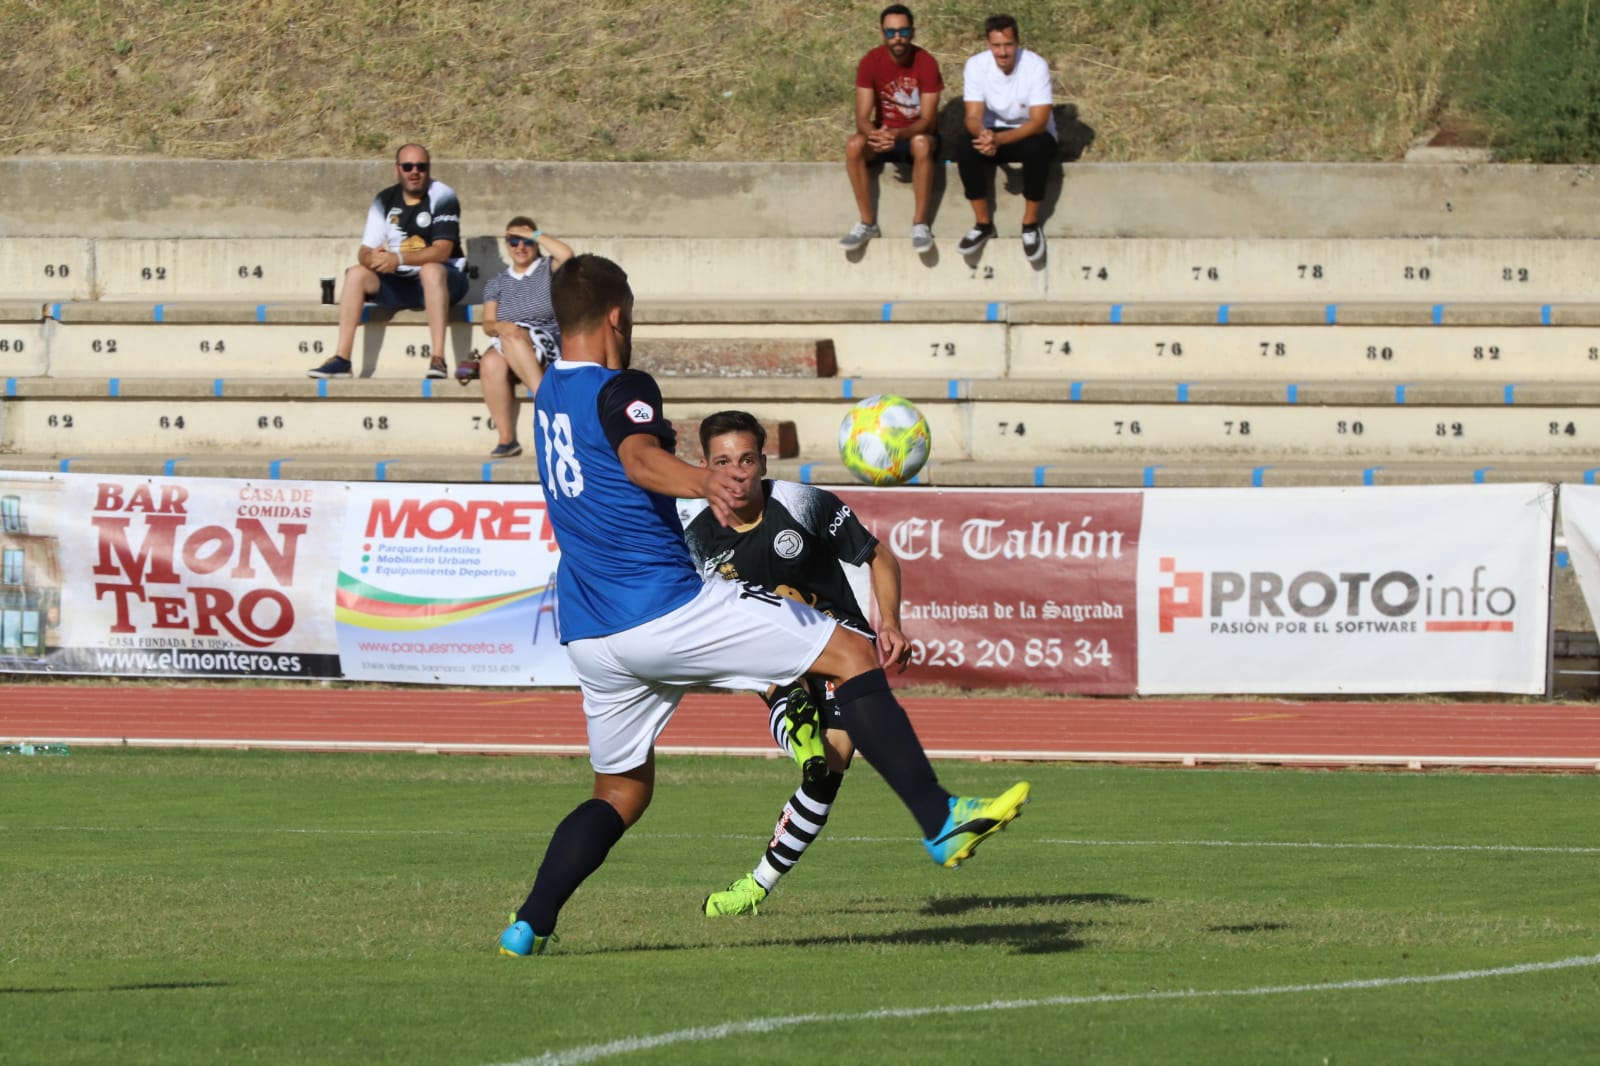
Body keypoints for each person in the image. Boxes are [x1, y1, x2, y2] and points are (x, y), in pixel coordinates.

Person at [497, 254, 1030, 957]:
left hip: (592, 637)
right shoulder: (620, 384)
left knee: (621, 791)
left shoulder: (547, 400)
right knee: (850, 649)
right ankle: (938, 817)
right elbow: (635, 458)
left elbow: (519, 344)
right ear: (619, 316)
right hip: (662, 608)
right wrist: (700, 479)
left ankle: (529, 923)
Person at [684, 411, 913, 917]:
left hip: (840, 648)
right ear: (703, 466)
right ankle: (792, 720)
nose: (737, 472)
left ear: (763, 461)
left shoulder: (804, 503)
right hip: (766, 655)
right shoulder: (695, 537)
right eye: (722, 462)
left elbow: (880, 558)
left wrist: (891, 622)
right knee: (777, 684)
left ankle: (755, 886)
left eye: (747, 459)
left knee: (827, 772)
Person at [307, 144, 469, 379]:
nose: (415, 172)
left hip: (445, 281)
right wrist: (372, 259)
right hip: (401, 281)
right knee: (355, 274)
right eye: (408, 166)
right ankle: (342, 359)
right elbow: (364, 250)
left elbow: (442, 251)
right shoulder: (384, 199)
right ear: (397, 170)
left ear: (428, 169)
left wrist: (399, 258)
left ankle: (438, 359)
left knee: (431, 270)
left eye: (421, 167)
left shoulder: (443, 195)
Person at [457, 216, 574, 458]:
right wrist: (502, 327)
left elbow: (567, 255)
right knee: (490, 361)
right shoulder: (497, 282)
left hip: (547, 337)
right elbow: (488, 324)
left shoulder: (547, 267)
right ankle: (507, 438)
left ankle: (546, 400)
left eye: (526, 241)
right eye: (513, 241)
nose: (520, 247)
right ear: (506, 244)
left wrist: (534, 233)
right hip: (509, 338)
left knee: (513, 335)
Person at [838, 4, 944, 253]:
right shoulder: (870, 61)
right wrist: (874, 134)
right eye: (891, 32)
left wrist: (899, 135)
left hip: (915, 135)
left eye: (903, 32)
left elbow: (927, 120)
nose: (897, 38)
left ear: (913, 32)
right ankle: (867, 222)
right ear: (882, 33)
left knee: (921, 143)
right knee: (854, 144)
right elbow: (862, 117)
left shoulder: (925, 62)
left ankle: (919, 223)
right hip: (884, 134)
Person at [955, 15, 1058, 263]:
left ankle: (1030, 224)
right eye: (996, 46)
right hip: (993, 131)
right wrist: (984, 136)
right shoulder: (976, 65)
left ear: (1017, 43)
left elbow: (1039, 121)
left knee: (1037, 148)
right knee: (964, 147)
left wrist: (1000, 141)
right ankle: (982, 224)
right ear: (988, 44)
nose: (1002, 52)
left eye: (1008, 45)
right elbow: (972, 116)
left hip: (1030, 132)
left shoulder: (1035, 65)